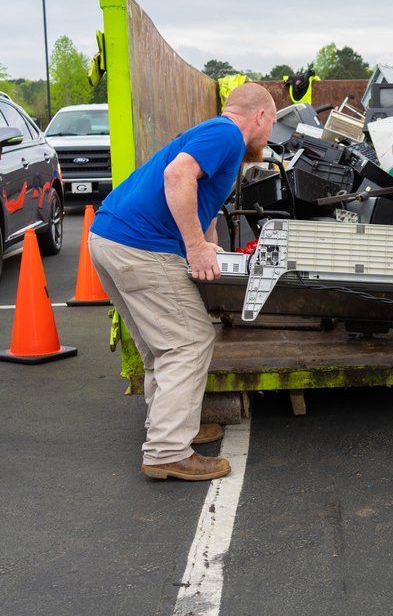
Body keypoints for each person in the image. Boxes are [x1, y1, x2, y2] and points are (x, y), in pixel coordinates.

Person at [88, 83, 275, 481]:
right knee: (188, 341)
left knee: (163, 346)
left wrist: (209, 246)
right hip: (140, 246)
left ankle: (172, 429)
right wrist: (194, 247)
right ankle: (167, 451)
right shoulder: (227, 134)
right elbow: (178, 177)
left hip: (111, 239)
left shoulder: (213, 135)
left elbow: (197, 196)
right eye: (271, 124)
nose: (269, 135)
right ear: (260, 116)